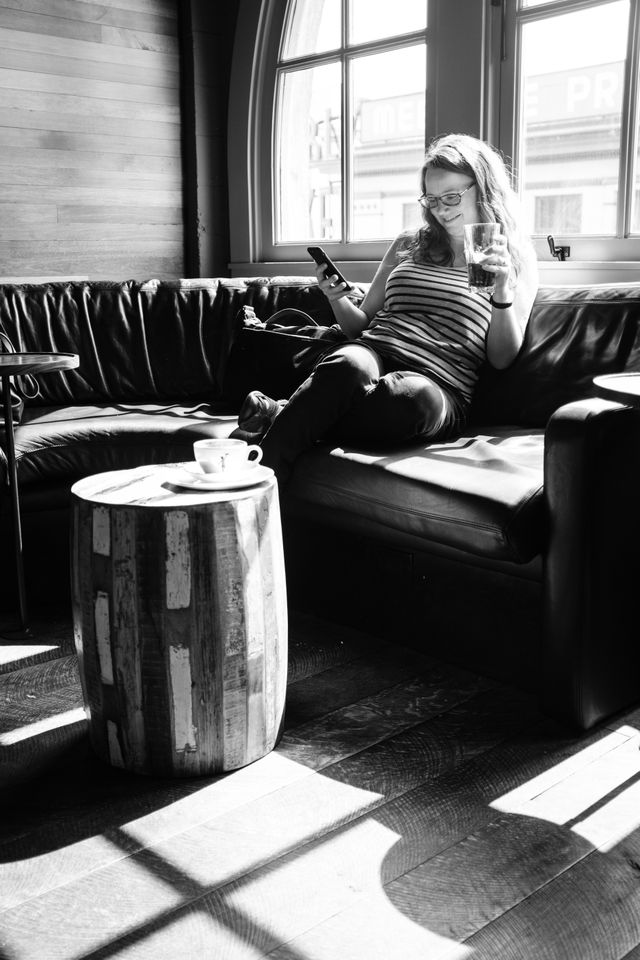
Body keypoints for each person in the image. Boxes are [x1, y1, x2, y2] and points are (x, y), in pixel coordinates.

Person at [235, 133, 539, 485]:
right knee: (347, 362)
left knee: (408, 400)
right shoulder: (410, 242)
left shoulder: (516, 258)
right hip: (374, 352)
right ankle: (258, 483)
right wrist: (336, 298)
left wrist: (502, 290)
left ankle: (282, 414)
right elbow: (358, 326)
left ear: (482, 188)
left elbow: (501, 358)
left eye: (452, 196)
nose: (440, 209)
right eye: (432, 199)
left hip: (440, 384)